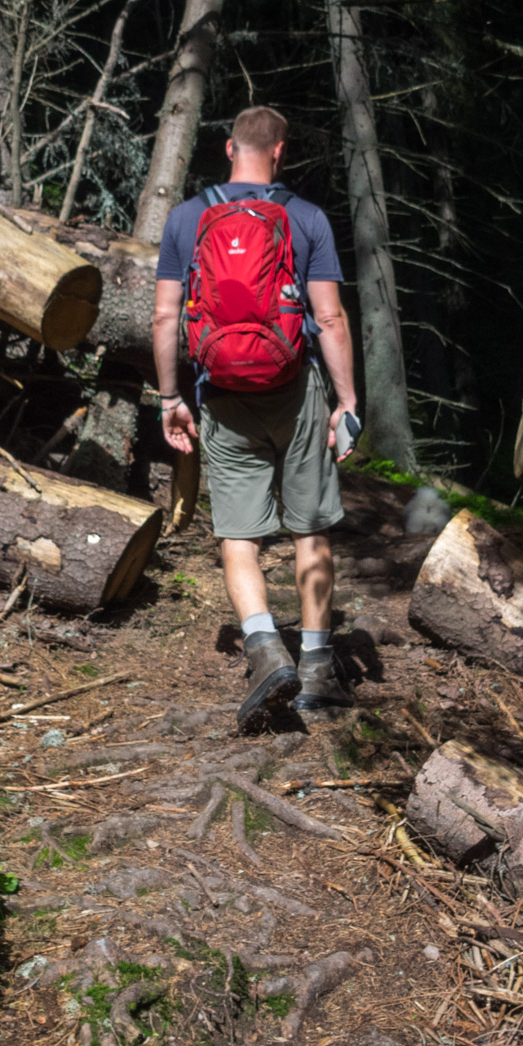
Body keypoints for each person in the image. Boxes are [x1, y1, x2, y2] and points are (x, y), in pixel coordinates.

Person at [151, 106, 361, 731]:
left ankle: (265, 647)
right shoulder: (306, 219)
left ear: (227, 148)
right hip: (295, 390)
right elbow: (330, 320)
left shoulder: (187, 218)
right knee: (310, 528)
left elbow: (166, 318)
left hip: (220, 393)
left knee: (238, 535)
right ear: (280, 153)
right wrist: (347, 403)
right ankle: (319, 667)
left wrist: (170, 397)